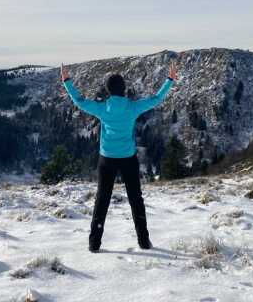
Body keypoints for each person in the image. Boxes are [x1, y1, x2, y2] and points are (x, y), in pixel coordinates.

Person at [60, 60, 178, 252]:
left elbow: (79, 101)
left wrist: (67, 81)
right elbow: (156, 98)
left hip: (106, 159)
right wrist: (169, 80)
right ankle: (143, 241)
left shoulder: (102, 108)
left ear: (108, 90)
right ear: (124, 90)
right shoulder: (132, 108)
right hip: (128, 158)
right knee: (135, 200)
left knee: (102, 199)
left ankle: (94, 243)